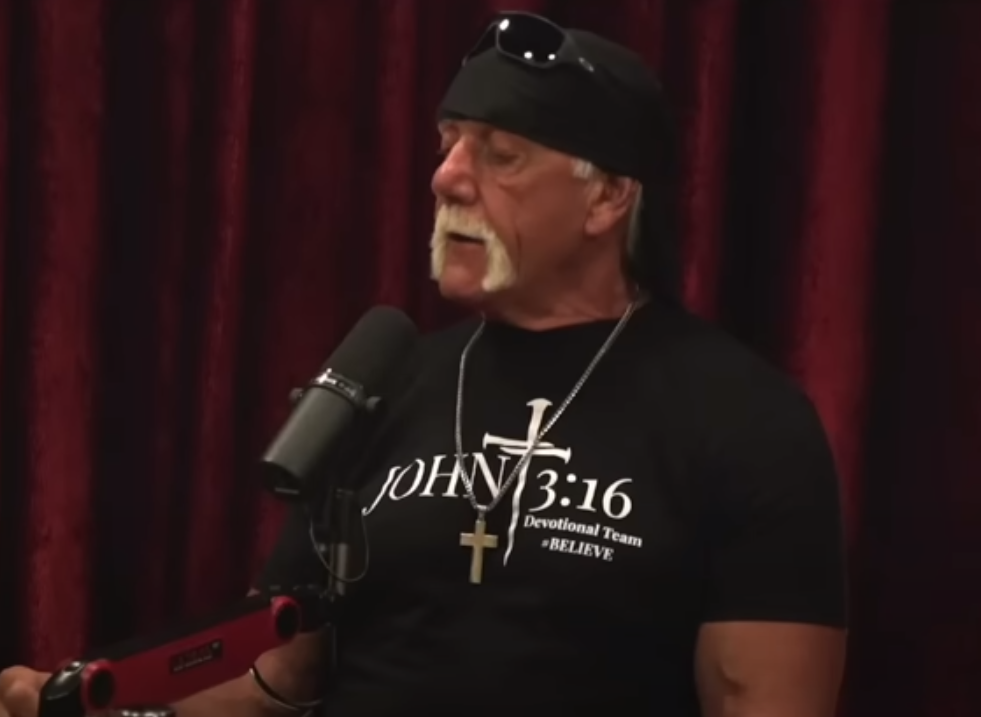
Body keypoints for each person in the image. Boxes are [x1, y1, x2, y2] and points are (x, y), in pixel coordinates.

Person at [0, 11, 847, 717]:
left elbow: (763, 699)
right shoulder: (383, 383)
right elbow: (279, 672)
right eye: (448, 145)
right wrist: (102, 699)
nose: (446, 178)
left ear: (606, 196)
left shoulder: (743, 417)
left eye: (500, 154)